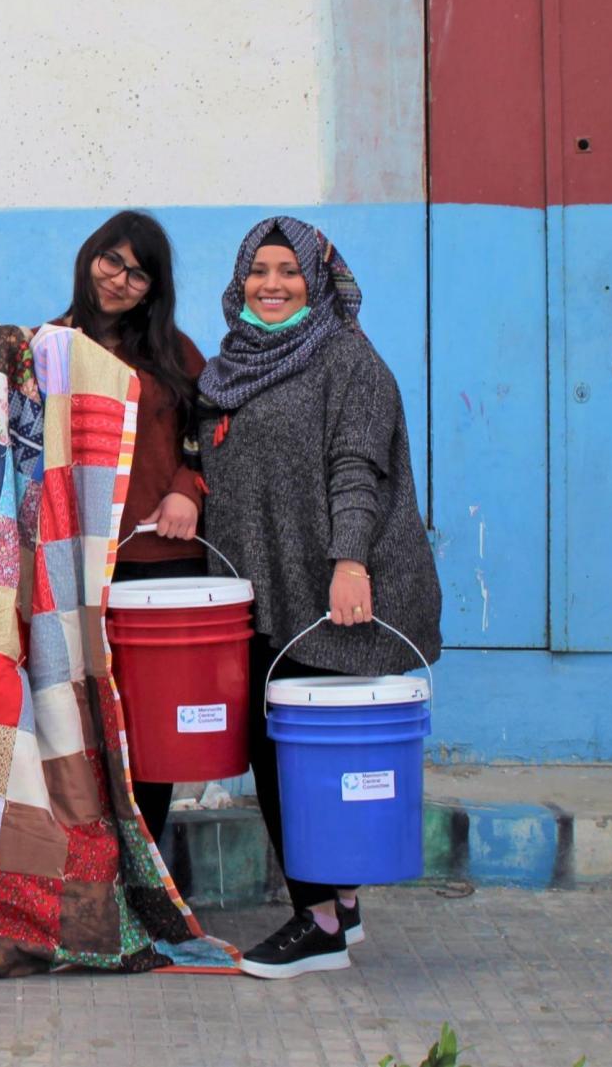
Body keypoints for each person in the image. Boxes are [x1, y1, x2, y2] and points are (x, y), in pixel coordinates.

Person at [195, 216, 441, 979]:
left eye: (289, 271)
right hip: (272, 587)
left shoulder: (346, 358)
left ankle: (319, 922)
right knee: (292, 750)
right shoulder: (230, 363)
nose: (273, 285)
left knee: (289, 756)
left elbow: (355, 469)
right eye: (259, 270)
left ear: (319, 278)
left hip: (333, 585)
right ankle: (340, 902)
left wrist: (350, 563)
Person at [54, 210, 206, 848]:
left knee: (148, 725)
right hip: (73, 566)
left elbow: (212, 441)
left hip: (159, 561)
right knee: (78, 723)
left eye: (138, 273)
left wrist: (186, 490)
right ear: (90, 258)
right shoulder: (50, 345)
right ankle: (94, 873)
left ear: (155, 287)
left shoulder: (176, 354)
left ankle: (149, 871)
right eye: (110, 261)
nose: (119, 280)